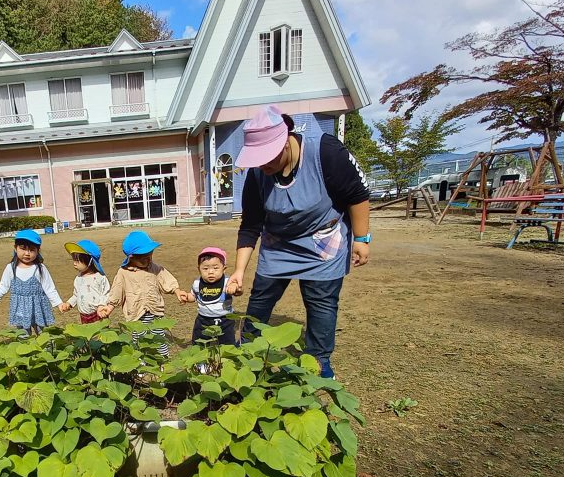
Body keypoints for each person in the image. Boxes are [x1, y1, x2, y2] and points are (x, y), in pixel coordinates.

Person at [226, 106, 371, 379]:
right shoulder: (259, 174)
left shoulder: (326, 153)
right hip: (278, 242)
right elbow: (251, 224)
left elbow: (357, 195)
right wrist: (239, 270)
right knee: (261, 297)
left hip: (323, 239)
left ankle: (318, 359)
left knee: (321, 301)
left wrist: (362, 239)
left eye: (267, 159)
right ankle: (247, 351)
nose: (262, 167)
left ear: (285, 141)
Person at [97, 230, 191, 357]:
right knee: (138, 340)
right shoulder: (123, 273)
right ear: (131, 257)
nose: (148, 260)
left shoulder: (154, 268)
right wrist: (109, 307)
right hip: (136, 314)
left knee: (159, 338)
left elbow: (166, 279)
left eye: (150, 256)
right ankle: (140, 362)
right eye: (143, 258)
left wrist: (177, 291)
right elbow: (117, 292)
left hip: (155, 312)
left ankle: (163, 360)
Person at [0, 229, 67, 335]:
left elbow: (49, 288)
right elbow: (3, 287)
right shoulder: (11, 268)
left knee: (44, 334)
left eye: (31, 250)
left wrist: (59, 303)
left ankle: (48, 351)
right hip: (20, 308)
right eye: (23, 249)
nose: (27, 253)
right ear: (15, 248)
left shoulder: (40, 268)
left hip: (39, 307)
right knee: (23, 336)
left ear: (37, 250)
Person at [191, 246, 240, 346]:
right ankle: (200, 360)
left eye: (215, 268)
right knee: (199, 341)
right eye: (205, 268)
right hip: (203, 319)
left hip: (225, 319)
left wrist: (235, 287)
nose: (210, 272)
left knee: (227, 342)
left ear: (224, 269)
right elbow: (194, 296)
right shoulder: (197, 283)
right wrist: (187, 297)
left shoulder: (227, 282)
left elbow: (239, 291)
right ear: (199, 269)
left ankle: (227, 359)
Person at [61, 239, 110, 324]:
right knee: (88, 336)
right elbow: (76, 295)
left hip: (98, 314)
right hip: (83, 316)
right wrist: (69, 303)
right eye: (73, 260)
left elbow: (106, 294)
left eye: (77, 260)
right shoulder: (78, 278)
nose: (74, 263)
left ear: (89, 261)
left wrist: (102, 305)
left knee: (100, 336)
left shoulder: (100, 277)